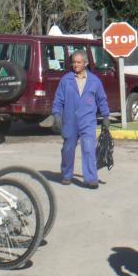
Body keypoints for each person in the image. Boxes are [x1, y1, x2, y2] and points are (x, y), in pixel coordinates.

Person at [53, 50, 110, 189]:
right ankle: (67, 174)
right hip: (70, 120)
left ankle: (91, 178)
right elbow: (58, 99)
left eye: (79, 62)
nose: (75, 65)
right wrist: (56, 114)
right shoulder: (66, 80)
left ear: (86, 63)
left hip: (87, 121)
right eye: (73, 62)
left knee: (89, 148)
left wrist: (106, 116)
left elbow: (102, 99)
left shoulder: (94, 81)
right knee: (68, 149)